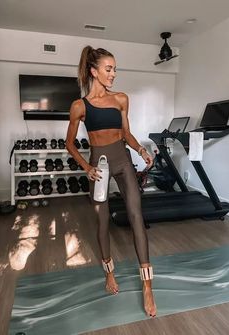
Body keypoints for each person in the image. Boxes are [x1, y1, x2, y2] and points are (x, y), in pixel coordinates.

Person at [66, 46, 157, 317]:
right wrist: (86, 167)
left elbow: (126, 134)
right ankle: (109, 273)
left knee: (136, 215)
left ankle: (148, 286)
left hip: (123, 160)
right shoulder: (79, 106)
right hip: (99, 168)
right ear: (94, 71)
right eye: (109, 69)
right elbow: (69, 143)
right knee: (103, 220)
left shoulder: (121, 99)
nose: (114, 74)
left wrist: (141, 150)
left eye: (115, 69)